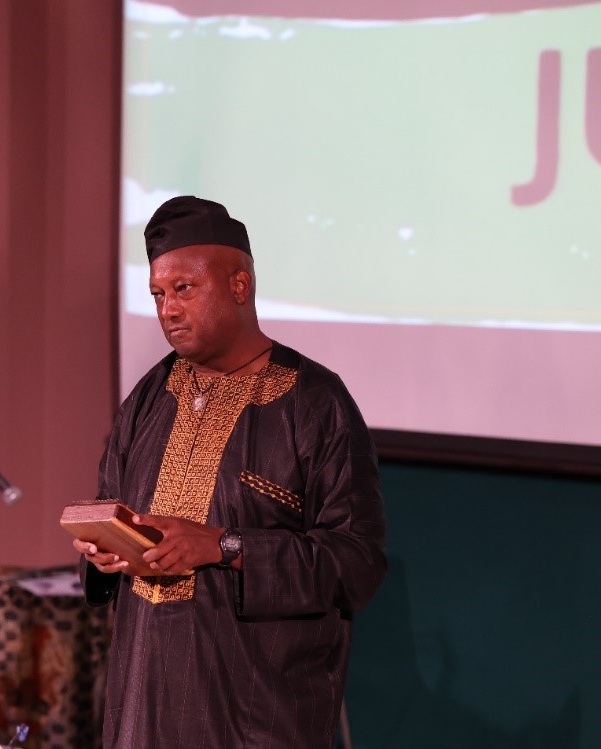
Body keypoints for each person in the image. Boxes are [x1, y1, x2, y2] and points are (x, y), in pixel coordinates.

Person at [74, 196, 387, 749]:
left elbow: (356, 564)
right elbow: (112, 508)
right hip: (143, 709)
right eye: (157, 294)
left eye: (184, 289)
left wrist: (225, 545)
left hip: (255, 718)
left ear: (240, 286)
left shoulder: (314, 402)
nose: (168, 309)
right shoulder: (149, 397)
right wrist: (107, 551)